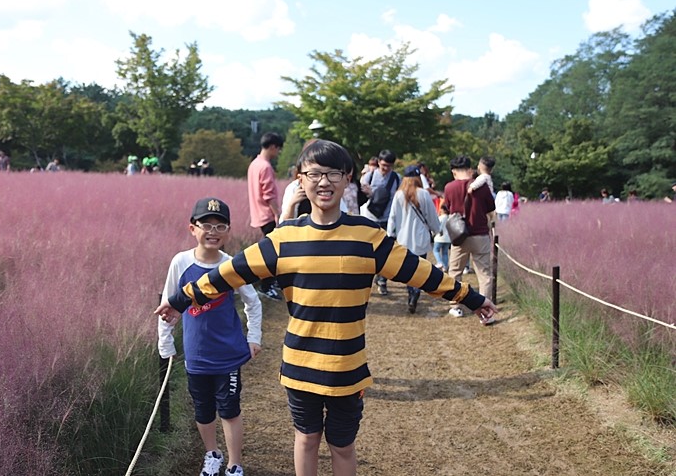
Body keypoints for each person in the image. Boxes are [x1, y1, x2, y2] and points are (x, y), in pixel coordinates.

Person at [155, 140, 496, 476]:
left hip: (348, 366)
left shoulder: (368, 236)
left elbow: (421, 273)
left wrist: (472, 298)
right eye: (314, 174)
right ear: (300, 180)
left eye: (334, 173)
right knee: (306, 439)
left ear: (348, 178)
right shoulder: (284, 238)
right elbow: (227, 273)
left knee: (342, 445)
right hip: (301, 363)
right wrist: (181, 299)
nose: (324, 182)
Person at [158, 197, 262, 476]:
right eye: (206, 225)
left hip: (227, 354)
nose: (213, 232)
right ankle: (212, 455)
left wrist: (254, 337)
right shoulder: (180, 262)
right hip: (196, 353)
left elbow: (253, 301)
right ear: (192, 228)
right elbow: (168, 305)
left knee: (229, 409)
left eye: (220, 226)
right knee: (203, 410)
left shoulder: (231, 266)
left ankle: (234, 464)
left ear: (228, 231)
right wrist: (165, 341)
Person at [443, 155, 496, 323]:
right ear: (470, 170)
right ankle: (485, 312)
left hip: (460, 236)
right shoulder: (482, 186)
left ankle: (455, 307)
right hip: (480, 234)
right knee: (484, 274)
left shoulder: (449, 187)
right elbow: (491, 208)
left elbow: (448, 208)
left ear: (453, 172)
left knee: (455, 272)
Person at [387, 165, 440, 313]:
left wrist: (390, 233)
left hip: (404, 238)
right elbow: (431, 215)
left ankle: (411, 292)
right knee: (420, 266)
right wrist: (437, 230)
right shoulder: (423, 194)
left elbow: (392, 217)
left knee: (407, 269)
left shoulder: (399, 195)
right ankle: (416, 290)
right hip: (421, 238)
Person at [247, 132, 284, 301]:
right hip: (267, 214)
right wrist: (277, 213)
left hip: (258, 213)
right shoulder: (266, 167)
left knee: (269, 249)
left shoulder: (254, 164)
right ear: (272, 147)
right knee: (272, 252)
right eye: (278, 149)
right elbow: (268, 194)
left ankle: (271, 282)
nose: (278, 152)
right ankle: (266, 285)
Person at [359, 149, 400, 296]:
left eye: (389, 166)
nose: (386, 169)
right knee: (369, 250)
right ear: (378, 163)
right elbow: (361, 194)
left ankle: (382, 281)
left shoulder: (396, 178)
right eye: (383, 166)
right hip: (370, 217)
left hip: (387, 219)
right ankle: (369, 278)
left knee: (385, 252)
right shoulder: (369, 176)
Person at [432, 204, 452, 273]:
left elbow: (437, 227)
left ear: (443, 210)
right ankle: (445, 266)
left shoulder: (440, 218)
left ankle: (439, 262)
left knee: (436, 250)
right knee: (445, 253)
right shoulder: (449, 218)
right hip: (448, 238)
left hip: (439, 237)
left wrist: (433, 234)